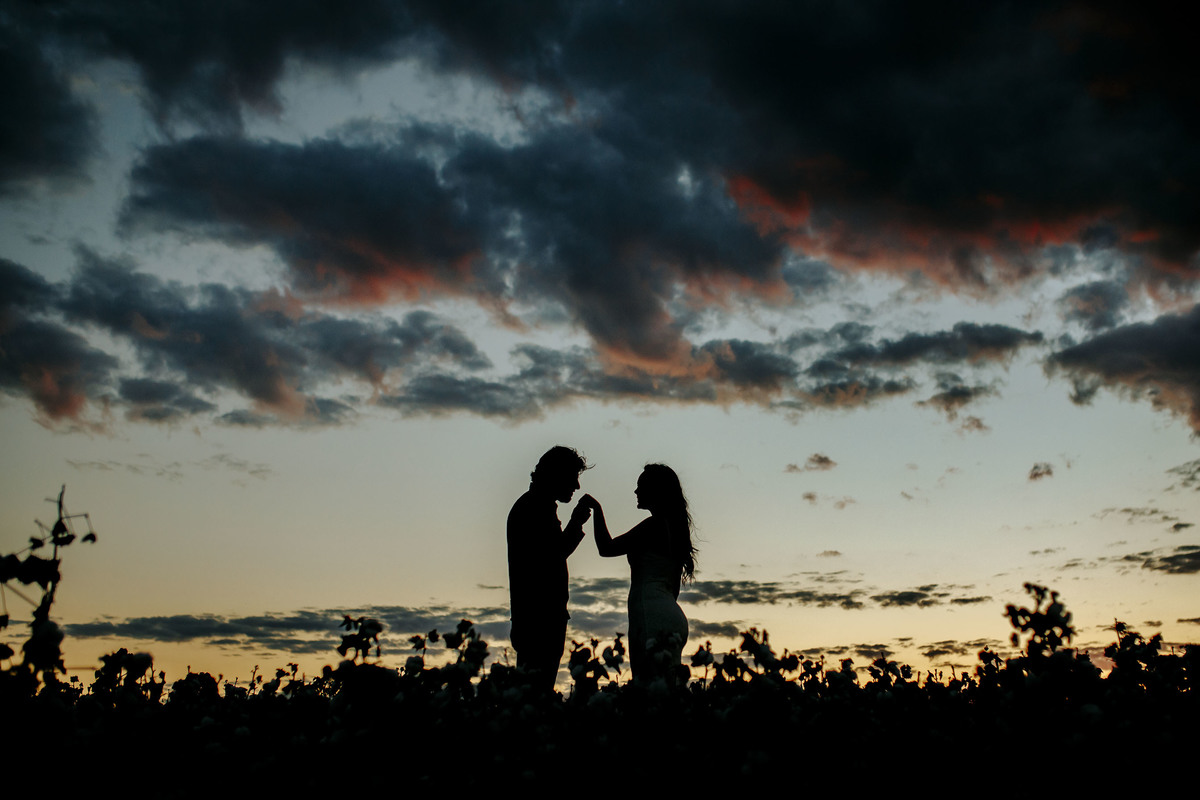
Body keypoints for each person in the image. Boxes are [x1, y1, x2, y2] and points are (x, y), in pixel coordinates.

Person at [580, 464, 697, 684]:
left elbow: (606, 548)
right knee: (667, 690)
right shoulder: (675, 528)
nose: (635, 492)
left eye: (640, 486)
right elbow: (673, 587)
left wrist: (596, 509)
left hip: (650, 613)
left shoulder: (652, 526)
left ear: (655, 491)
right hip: (672, 616)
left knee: (648, 690)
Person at [507, 445, 593, 692]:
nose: (577, 486)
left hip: (535, 618)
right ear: (557, 475)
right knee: (535, 695)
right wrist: (576, 522)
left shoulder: (534, 505)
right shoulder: (535, 508)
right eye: (573, 477)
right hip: (539, 619)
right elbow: (553, 555)